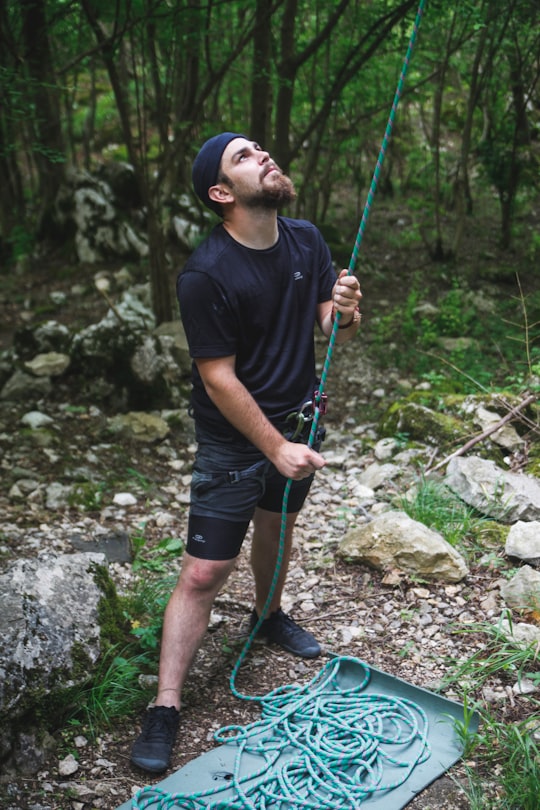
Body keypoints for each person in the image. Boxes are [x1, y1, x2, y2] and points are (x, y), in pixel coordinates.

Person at [130, 132, 362, 773]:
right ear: (221, 193)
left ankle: (266, 616)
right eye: (244, 156)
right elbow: (218, 378)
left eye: (260, 148)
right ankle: (167, 705)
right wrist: (276, 447)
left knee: (277, 528)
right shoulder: (206, 273)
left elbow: (326, 319)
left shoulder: (306, 238)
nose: (263, 154)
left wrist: (341, 308)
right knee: (204, 572)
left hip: (300, 423)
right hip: (236, 441)